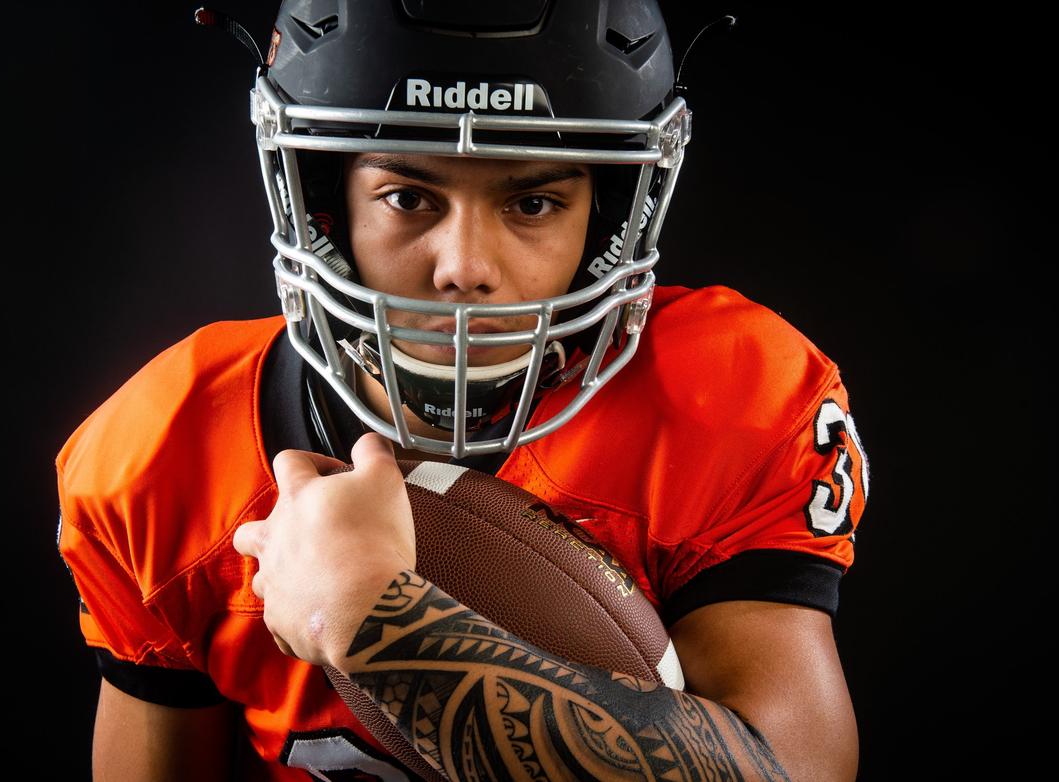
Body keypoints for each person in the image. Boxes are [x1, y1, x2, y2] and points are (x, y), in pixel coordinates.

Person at [56, 1, 870, 780]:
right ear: (325, 206)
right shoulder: (171, 444)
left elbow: (793, 769)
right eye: (407, 196)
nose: (464, 268)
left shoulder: (724, 396)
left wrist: (379, 622)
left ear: (610, 219)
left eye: (534, 201)